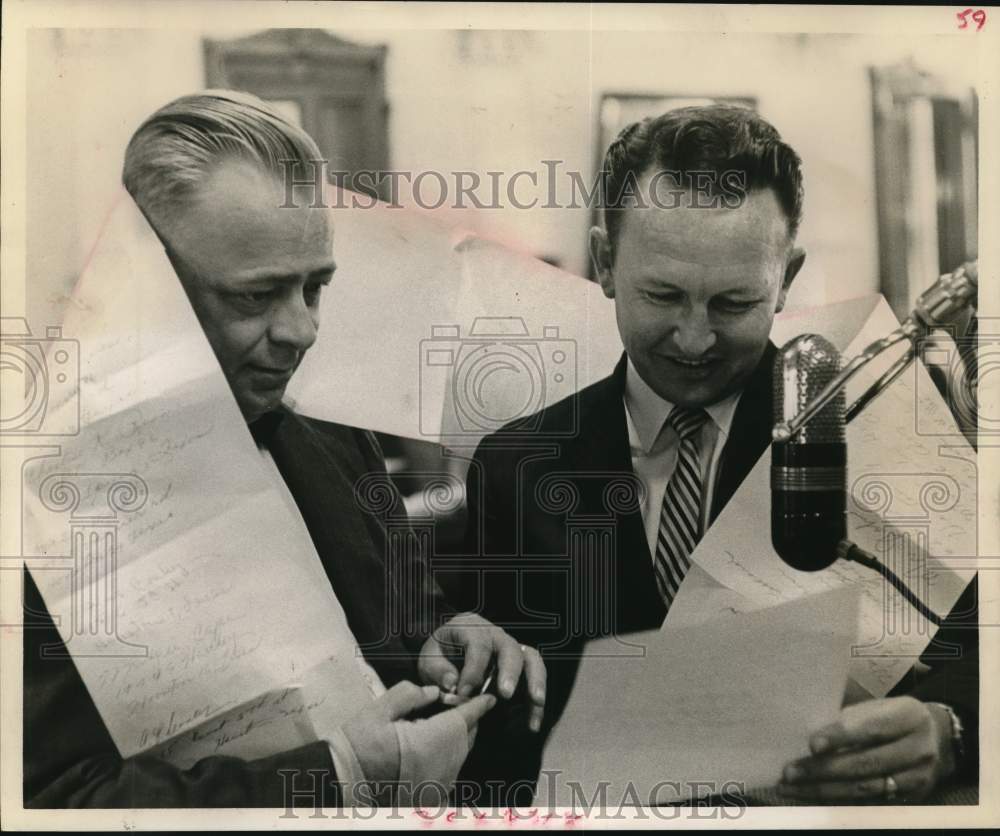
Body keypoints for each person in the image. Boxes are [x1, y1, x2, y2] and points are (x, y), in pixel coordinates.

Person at [23, 90, 545, 808]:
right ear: (144, 285)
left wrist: (450, 643)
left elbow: (405, 630)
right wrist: (339, 780)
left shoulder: (331, 434)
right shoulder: (39, 505)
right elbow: (53, 800)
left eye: (314, 287)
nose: (301, 330)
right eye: (255, 296)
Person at [461, 105, 977, 803]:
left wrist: (952, 727)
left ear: (786, 278)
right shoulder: (515, 466)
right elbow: (489, 722)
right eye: (664, 296)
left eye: (735, 302)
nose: (695, 340)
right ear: (607, 262)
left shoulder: (878, 433)